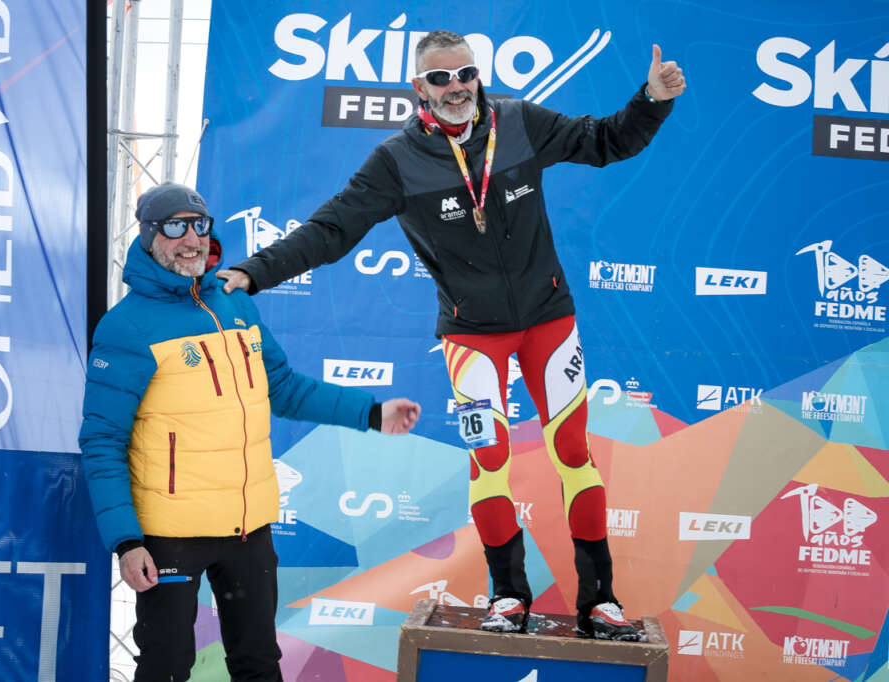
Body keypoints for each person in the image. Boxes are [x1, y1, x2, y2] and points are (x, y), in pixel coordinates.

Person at [216, 31, 686, 638]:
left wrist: (650, 100)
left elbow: (604, 141)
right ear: (420, 88)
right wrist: (256, 271)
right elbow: (332, 229)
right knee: (489, 458)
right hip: (471, 335)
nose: (457, 87)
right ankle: (507, 597)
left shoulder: (519, 122)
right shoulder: (396, 161)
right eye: (441, 78)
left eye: (465, 74)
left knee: (573, 451)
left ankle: (600, 602)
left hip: (548, 319)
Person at [79, 181, 421, 682]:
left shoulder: (235, 304)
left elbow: (283, 388)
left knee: (258, 663)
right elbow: (102, 441)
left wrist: (371, 413)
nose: (191, 239)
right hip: (170, 534)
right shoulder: (126, 326)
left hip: (248, 528)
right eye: (175, 227)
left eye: (199, 225)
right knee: (166, 667)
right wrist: (127, 542)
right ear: (149, 236)